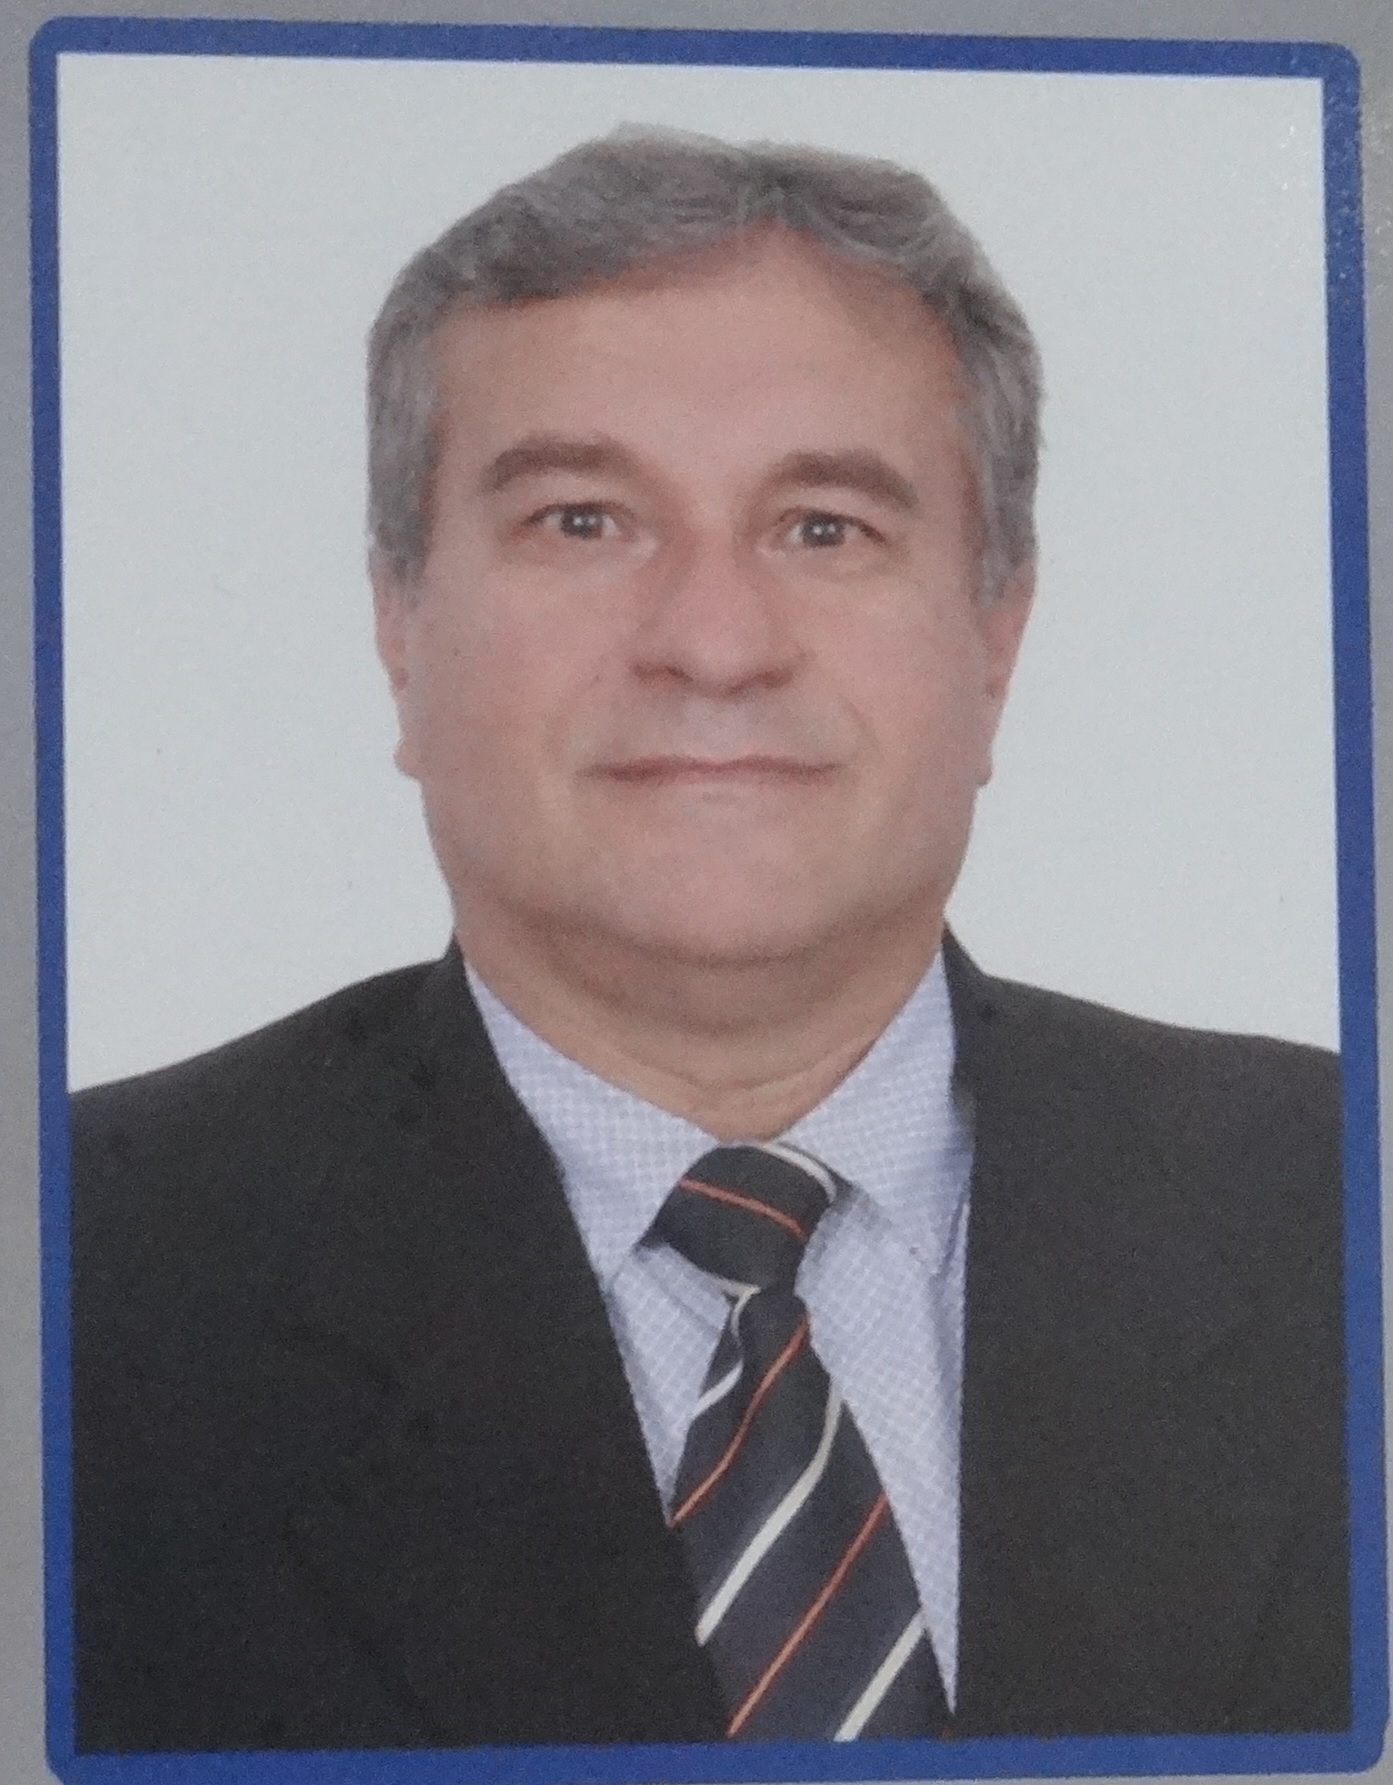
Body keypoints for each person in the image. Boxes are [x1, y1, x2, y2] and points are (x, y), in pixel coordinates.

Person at [69, 130, 1347, 1754]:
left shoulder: (1340, 1209)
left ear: (995, 635)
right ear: (398, 624)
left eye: (823, 527)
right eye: (582, 520)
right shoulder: (79, 1277)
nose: (715, 644)